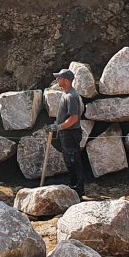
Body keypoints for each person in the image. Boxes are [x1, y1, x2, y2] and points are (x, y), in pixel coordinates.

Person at [49, 69, 87, 197]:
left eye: (59, 78)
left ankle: (77, 190)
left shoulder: (71, 96)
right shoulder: (66, 94)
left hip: (70, 133)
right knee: (70, 161)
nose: (57, 80)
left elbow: (74, 118)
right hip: (67, 133)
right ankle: (75, 187)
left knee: (73, 160)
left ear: (66, 80)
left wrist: (58, 127)